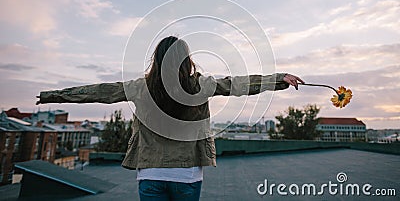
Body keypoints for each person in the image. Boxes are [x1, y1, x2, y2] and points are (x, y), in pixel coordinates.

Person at [36, 36, 304, 201]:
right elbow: (238, 84)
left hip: (150, 174)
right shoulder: (201, 85)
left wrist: (53, 96)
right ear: (186, 60)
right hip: (187, 176)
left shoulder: (141, 87)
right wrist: (279, 80)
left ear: (158, 60)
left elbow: (98, 92)